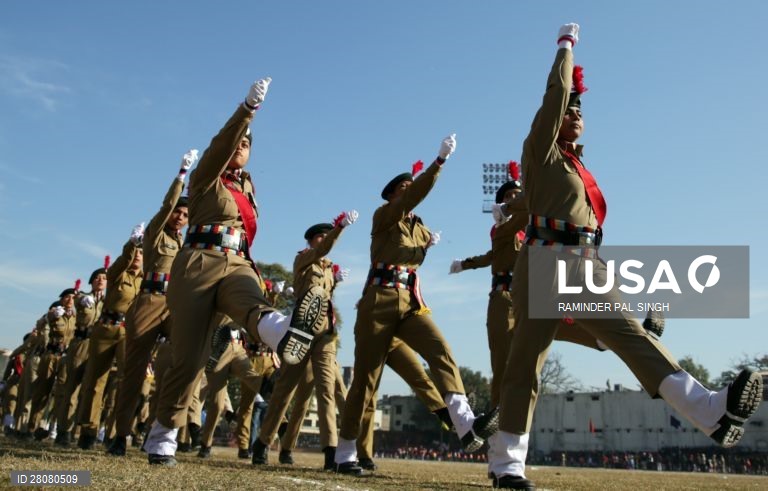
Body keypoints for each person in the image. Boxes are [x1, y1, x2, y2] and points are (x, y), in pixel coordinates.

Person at [488, 23, 763, 490]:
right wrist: (565, 48)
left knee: (630, 335)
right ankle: (507, 464)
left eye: (581, 111)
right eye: (569, 110)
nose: (575, 114)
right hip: (547, 259)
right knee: (525, 366)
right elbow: (555, 95)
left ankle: (709, 411)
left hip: (583, 261)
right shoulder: (541, 152)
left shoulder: (574, 165)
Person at [144, 78, 330, 467]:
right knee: (190, 361)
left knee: (252, 302)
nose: (241, 146)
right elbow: (221, 145)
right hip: (198, 261)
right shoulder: (207, 176)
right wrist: (247, 110)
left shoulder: (248, 188)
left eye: (247, 144)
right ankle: (163, 434)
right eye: (238, 142)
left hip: (237, 261)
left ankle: (284, 331)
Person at [334, 135, 497, 476]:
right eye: (403, 189)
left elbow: (416, 248)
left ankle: (465, 423)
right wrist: (438, 162)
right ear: (393, 196)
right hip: (378, 301)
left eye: (410, 186)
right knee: (364, 381)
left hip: (410, 302)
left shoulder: (418, 228)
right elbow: (415, 197)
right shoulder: (384, 215)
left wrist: (427, 245)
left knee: (440, 349)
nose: (408, 191)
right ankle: (345, 452)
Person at [253, 213, 357, 469]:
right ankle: (263, 443)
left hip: (325, 334)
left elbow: (323, 298)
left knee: (326, 390)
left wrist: (335, 283)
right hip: (301, 331)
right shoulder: (303, 258)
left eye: (326, 236)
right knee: (284, 391)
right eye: (320, 237)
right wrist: (339, 229)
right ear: (311, 241)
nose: (324, 240)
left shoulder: (328, 267)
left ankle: (331, 452)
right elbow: (319, 260)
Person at [108, 150, 194, 456]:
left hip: (173, 306)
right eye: (177, 212)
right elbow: (166, 205)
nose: (179, 217)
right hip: (148, 301)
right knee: (133, 373)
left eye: (185, 215)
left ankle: (158, 431)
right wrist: (182, 175)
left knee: (183, 362)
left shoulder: (185, 242)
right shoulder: (156, 233)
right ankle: (120, 435)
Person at [77, 227, 143, 449]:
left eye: (142, 253)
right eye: (136, 252)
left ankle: (116, 434)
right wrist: (132, 244)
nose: (138, 256)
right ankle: (88, 430)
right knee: (95, 381)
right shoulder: (116, 274)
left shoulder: (146, 280)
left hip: (128, 331)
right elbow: (123, 260)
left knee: (126, 382)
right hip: (105, 329)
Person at [54, 261, 108, 446]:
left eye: (104, 278)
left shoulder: (109, 300)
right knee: (72, 388)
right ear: (91, 282)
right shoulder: (83, 297)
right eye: (97, 278)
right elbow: (77, 300)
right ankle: (64, 431)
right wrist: (83, 299)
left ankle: (85, 432)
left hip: (100, 345)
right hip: (81, 344)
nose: (100, 280)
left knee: (93, 390)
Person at [27, 285, 78, 439]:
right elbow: (39, 325)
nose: (70, 300)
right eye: (67, 297)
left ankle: (56, 427)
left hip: (66, 357)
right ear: (62, 299)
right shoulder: (54, 313)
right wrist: (49, 316)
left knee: (62, 394)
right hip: (51, 355)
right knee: (43, 391)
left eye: (73, 298)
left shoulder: (76, 317)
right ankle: (33, 428)